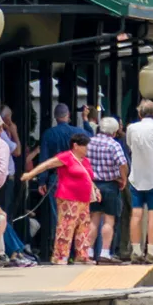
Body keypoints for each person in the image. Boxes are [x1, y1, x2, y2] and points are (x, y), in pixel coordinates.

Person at [21, 134, 96, 265]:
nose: (87, 149)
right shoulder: (66, 157)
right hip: (69, 197)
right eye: (85, 146)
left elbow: (88, 177)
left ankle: (82, 255)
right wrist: (30, 174)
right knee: (66, 226)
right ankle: (60, 256)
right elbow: (46, 165)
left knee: (83, 228)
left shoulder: (85, 160)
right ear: (76, 146)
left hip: (83, 199)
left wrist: (95, 190)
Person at [124, 100, 153, 264]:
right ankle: (151, 251)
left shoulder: (131, 128)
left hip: (136, 176)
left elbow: (129, 145)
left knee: (136, 214)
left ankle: (136, 251)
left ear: (139, 114)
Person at [38, 104, 89, 244]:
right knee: (77, 212)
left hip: (57, 177)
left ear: (55, 117)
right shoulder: (79, 133)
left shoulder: (48, 134)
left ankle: (60, 248)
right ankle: (76, 248)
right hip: (77, 177)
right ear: (68, 116)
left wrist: (42, 181)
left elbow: (45, 159)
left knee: (59, 214)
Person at [87, 117, 128, 265]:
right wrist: (123, 179)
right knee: (109, 220)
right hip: (110, 185)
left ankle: (89, 251)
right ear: (114, 131)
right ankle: (105, 252)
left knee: (93, 219)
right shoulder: (114, 144)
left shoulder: (89, 142)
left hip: (93, 185)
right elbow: (122, 164)